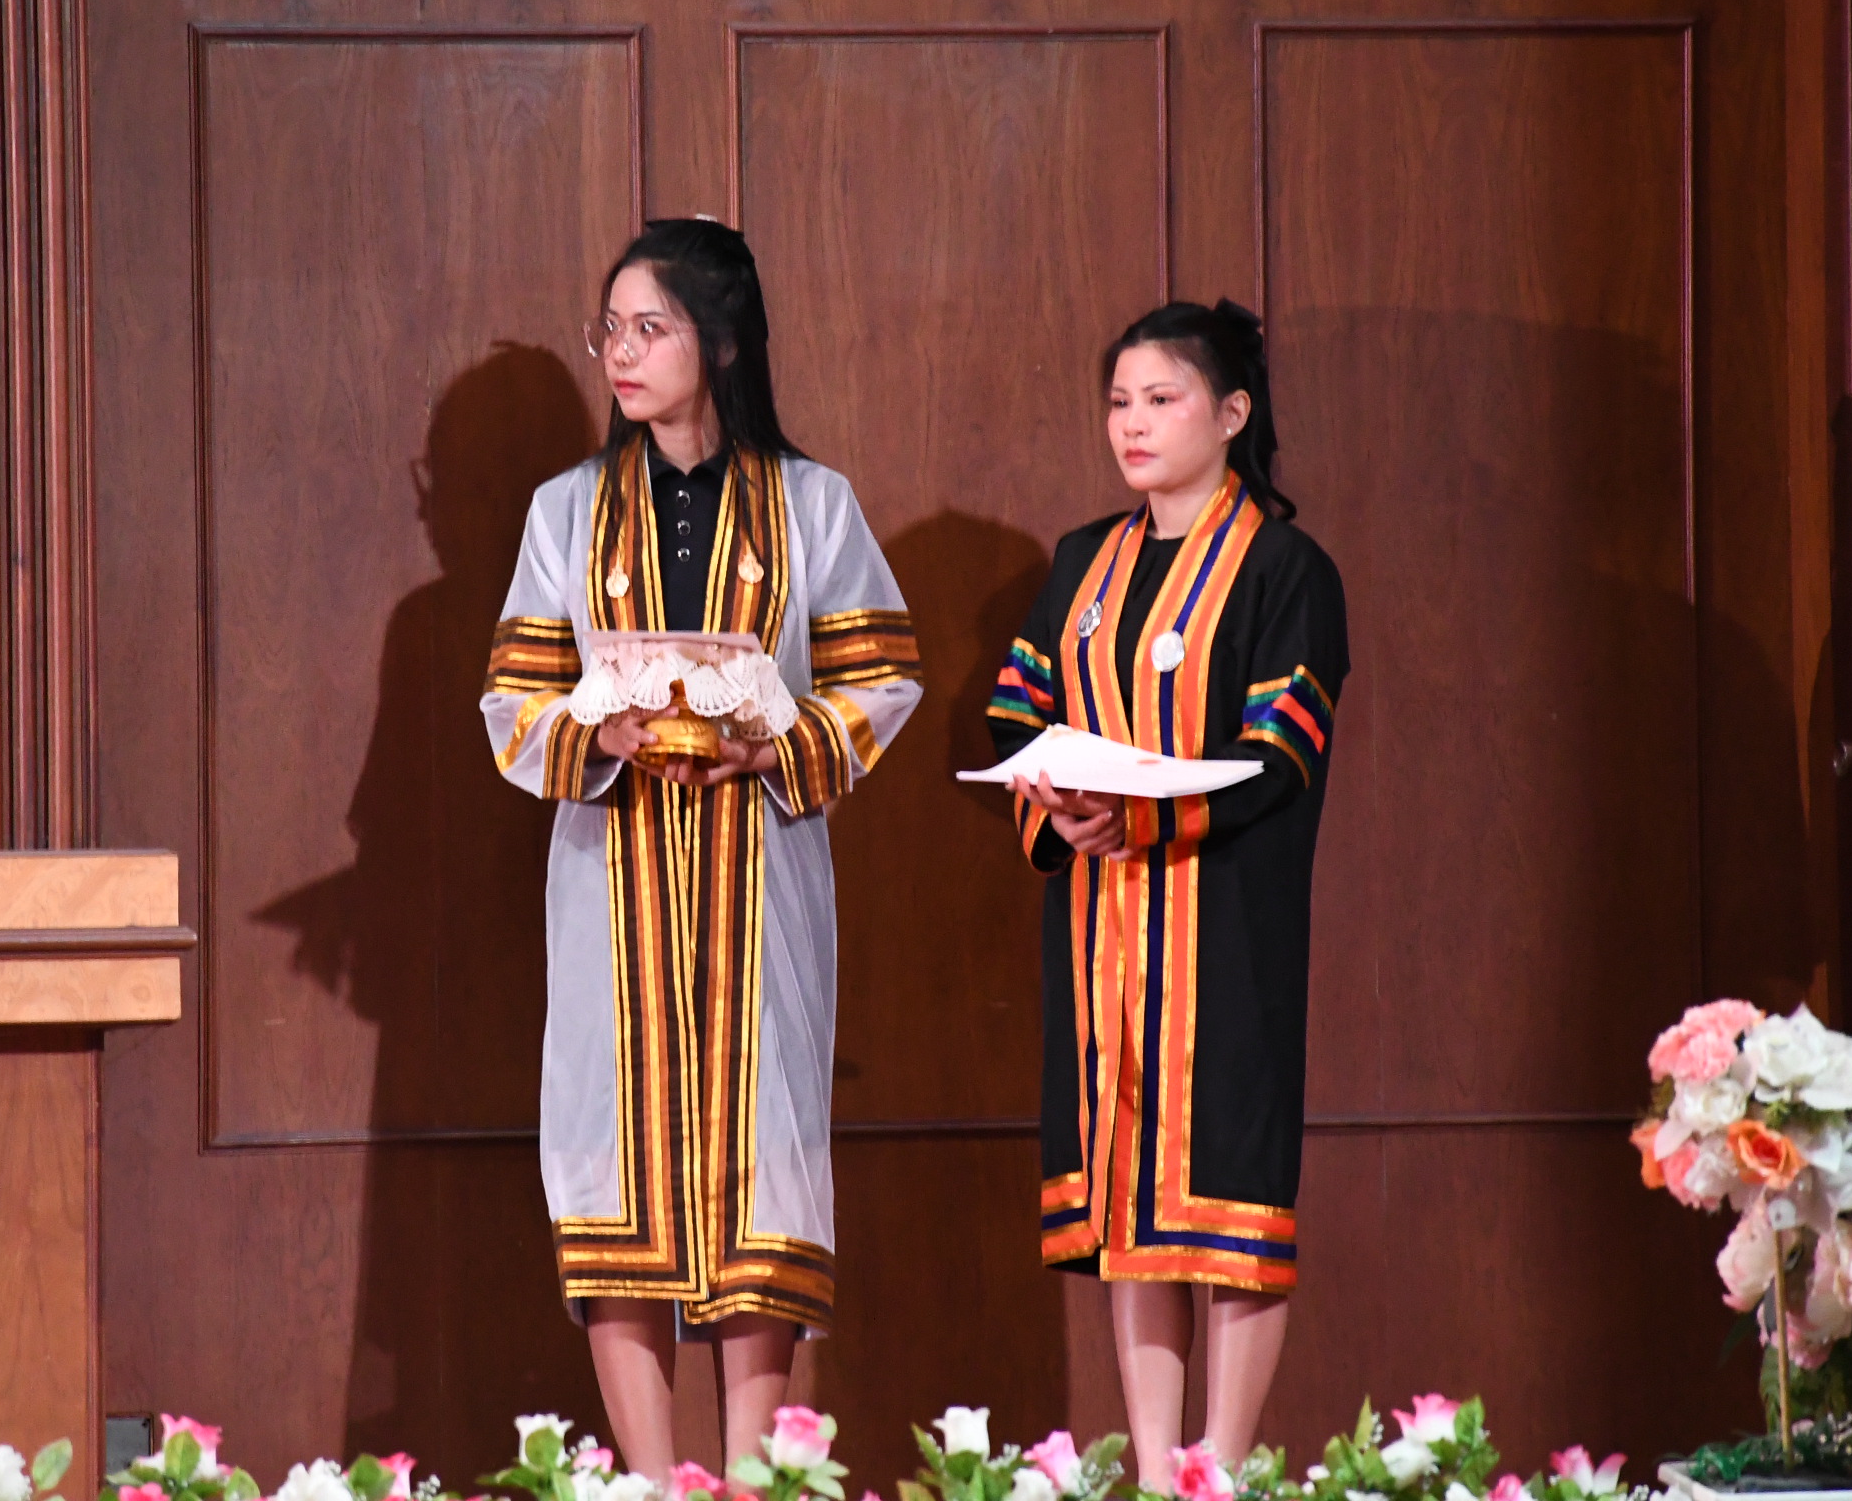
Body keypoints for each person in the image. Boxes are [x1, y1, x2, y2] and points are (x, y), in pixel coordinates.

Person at [479, 218, 922, 1481]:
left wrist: (777, 746)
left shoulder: (811, 503)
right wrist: (600, 730)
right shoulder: (567, 510)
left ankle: (753, 1473)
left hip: (759, 875)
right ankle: (652, 1477)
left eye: (650, 327)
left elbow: (882, 675)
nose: (622, 352)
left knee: (760, 1174)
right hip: (610, 876)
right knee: (610, 1165)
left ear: (721, 340)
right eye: (610, 329)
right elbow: (512, 698)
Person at [986, 299, 1348, 1482]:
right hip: (1099, 926)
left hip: (1223, 927)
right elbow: (1017, 710)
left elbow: (1280, 751)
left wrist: (1145, 810)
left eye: (1161, 398)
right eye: (1118, 402)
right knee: (1126, 1216)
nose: (1132, 424)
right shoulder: (1083, 563)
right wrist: (1059, 806)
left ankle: (1220, 1469)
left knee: (1227, 1211)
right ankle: (1155, 1469)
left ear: (1232, 413)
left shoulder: (1287, 570)